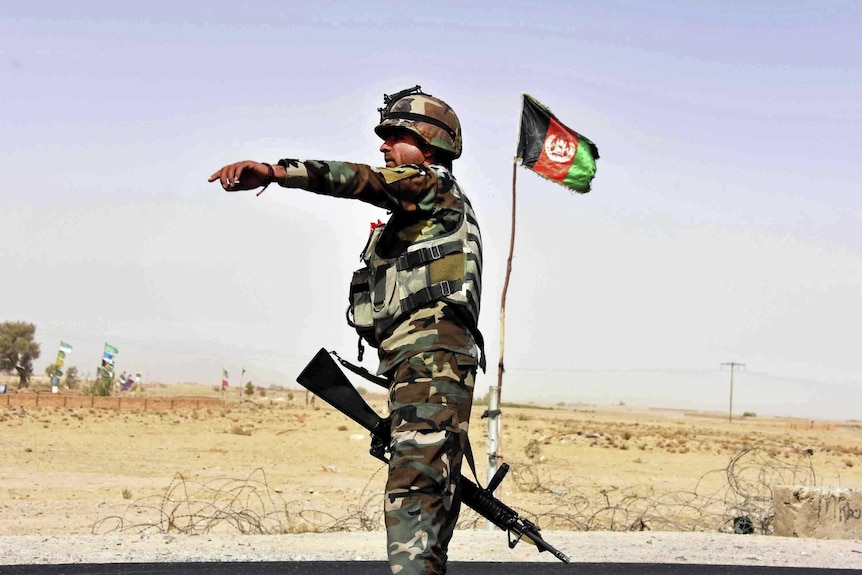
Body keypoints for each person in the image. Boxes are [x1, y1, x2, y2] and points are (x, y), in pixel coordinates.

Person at [209, 86, 484, 575]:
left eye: (394, 136)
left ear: (427, 142)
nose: (382, 146)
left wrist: (277, 172)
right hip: (417, 366)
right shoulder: (419, 211)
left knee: (413, 498)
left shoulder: (431, 184)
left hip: (433, 362)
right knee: (422, 494)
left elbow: (360, 180)